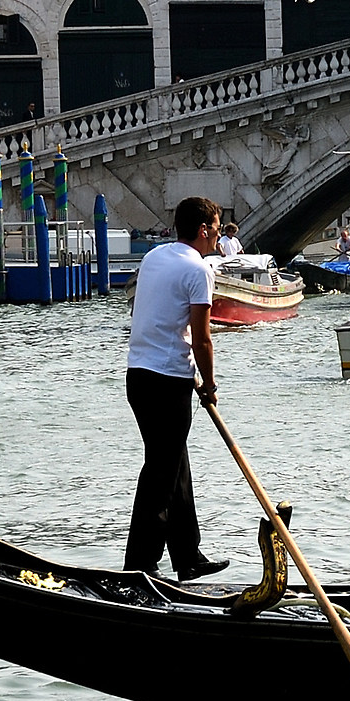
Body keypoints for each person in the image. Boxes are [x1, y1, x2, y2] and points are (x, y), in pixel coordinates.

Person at [124, 197, 228, 582]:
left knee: (173, 463)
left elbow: (151, 315)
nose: (218, 234)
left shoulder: (154, 257)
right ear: (203, 229)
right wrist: (211, 384)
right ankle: (140, 565)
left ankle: (187, 556)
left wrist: (193, 376)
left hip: (139, 376)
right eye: (216, 227)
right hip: (168, 382)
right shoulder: (198, 270)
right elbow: (202, 339)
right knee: (161, 472)